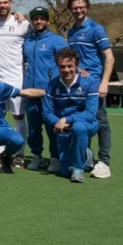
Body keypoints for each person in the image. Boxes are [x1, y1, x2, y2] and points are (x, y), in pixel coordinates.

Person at [66, 0, 115, 179]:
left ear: (87, 7)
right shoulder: (71, 32)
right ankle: (87, 156)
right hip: (79, 85)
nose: (78, 10)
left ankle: (104, 162)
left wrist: (104, 82)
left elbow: (109, 57)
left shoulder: (97, 29)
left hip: (94, 84)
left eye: (82, 7)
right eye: (75, 7)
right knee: (82, 121)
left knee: (101, 120)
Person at [0, 0, 31, 167]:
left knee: (19, 117)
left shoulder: (23, 23)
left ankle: (19, 154)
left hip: (17, 78)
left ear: (11, 3)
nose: (2, 6)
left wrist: (22, 15)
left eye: (5, 2)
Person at [42, 48, 100, 183]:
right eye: (62, 66)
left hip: (86, 124)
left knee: (78, 128)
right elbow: (47, 112)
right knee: (64, 172)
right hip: (62, 126)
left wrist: (67, 120)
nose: (66, 70)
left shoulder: (89, 82)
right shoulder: (52, 85)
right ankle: (86, 155)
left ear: (76, 66)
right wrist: (58, 122)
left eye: (70, 66)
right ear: (57, 67)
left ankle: (78, 169)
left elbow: (90, 113)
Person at [22, 6, 67, 171]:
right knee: (33, 128)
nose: (38, 21)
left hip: (49, 93)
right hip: (30, 92)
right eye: (35, 18)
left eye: (42, 18)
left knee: (51, 126)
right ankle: (36, 156)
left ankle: (55, 158)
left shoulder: (56, 40)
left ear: (47, 20)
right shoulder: (27, 41)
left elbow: (69, 61)